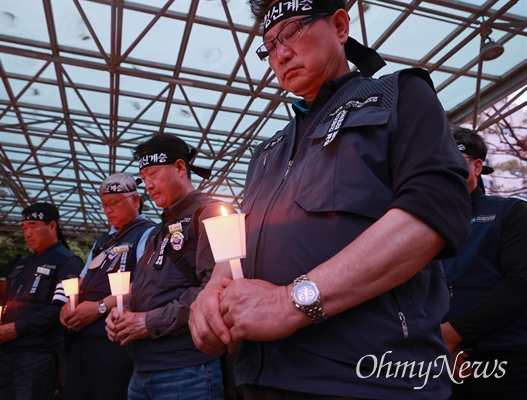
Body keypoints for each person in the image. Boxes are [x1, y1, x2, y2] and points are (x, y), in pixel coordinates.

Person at [188, 1, 472, 399]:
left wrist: (291, 303)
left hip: (369, 380)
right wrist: (211, 297)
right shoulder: (267, 151)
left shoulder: (399, 96)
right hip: (258, 378)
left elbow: (432, 212)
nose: (281, 53)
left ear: (340, 26)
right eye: (269, 46)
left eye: (292, 32)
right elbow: (238, 249)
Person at [105, 133, 231, 400]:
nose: (147, 185)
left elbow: (218, 287)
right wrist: (123, 312)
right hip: (142, 370)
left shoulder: (210, 213)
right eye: (143, 177)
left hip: (188, 368)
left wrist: (149, 321)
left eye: (153, 173)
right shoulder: (156, 232)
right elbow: (149, 290)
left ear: (179, 168)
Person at [441, 128, 527, 399]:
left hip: (505, 361)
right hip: (436, 361)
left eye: (456, 158)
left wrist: (450, 334)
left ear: (477, 166)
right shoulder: (421, 224)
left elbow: (519, 284)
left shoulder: (508, 212)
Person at [59, 173, 154, 400]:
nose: (108, 210)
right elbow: (82, 279)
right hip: (82, 336)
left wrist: (100, 307)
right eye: (104, 205)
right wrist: (67, 304)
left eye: (115, 203)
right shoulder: (103, 241)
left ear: (135, 200)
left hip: (113, 337)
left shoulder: (147, 233)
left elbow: (144, 283)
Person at [0, 202, 83, 400]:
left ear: (52, 226)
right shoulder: (22, 263)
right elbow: (5, 303)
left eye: (33, 225)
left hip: (36, 355)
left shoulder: (67, 262)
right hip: (5, 352)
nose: (27, 233)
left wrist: (16, 329)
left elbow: (60, 309)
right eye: (24, 227)